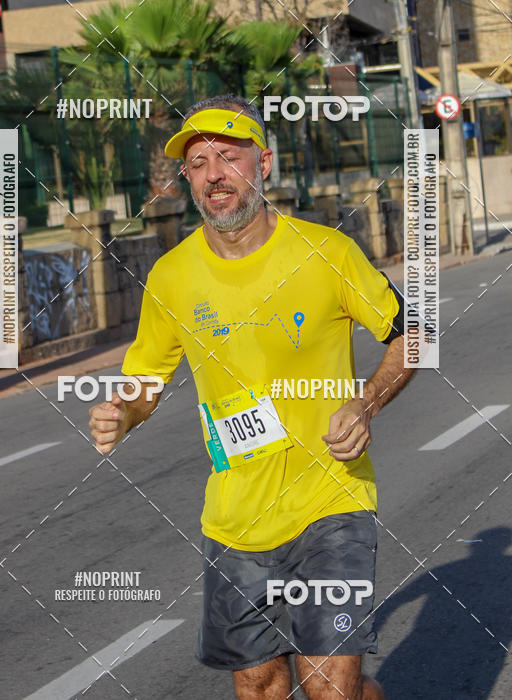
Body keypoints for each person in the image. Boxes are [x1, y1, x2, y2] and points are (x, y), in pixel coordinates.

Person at [89, 94, 416, 699]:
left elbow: (411, 335)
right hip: (236, 516)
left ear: (263, 163)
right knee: (261, 684)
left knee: (327, 683)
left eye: (228, 157)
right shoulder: (171, 277)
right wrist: (123, 412)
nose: (213, 174)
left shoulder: (326, 252)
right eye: (198, 163)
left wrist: (365, 402)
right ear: (187, 178)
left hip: (331, 498)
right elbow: (146, 379)